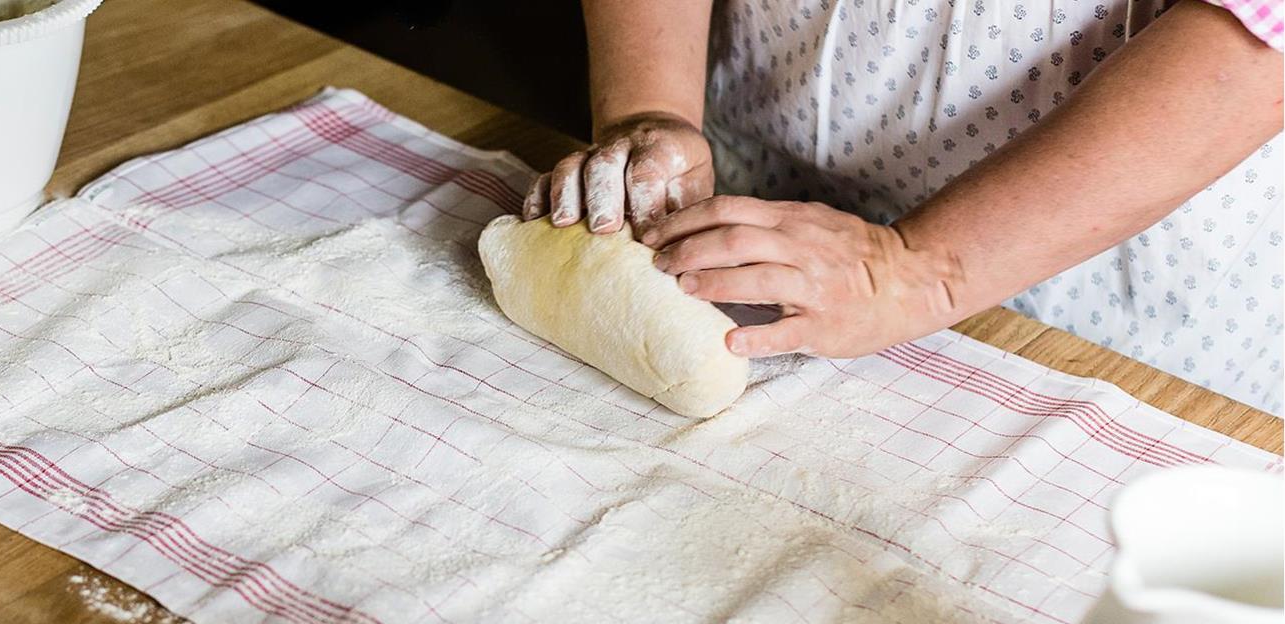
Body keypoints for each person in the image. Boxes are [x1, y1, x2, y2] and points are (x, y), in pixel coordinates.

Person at [529, 0, 1284, 412]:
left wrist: (922, 271)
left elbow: (1257, 30)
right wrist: (650, 107)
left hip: (1087, 288)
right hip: (753, 175)